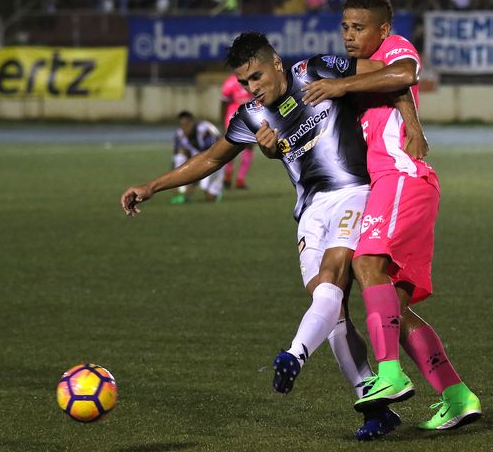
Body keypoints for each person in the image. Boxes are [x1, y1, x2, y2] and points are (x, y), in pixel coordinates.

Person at [120, 32, 400, 440]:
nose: (252, 88)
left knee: (332, 276)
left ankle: (294, 355)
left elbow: (387, 74)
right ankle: (374, 409)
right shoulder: (253, 117)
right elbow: (212, 158)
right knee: (332, 312)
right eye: (244, 82)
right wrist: (152, 186)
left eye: (256, 77)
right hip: (308, 213)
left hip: (352, 193)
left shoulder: (316, 70)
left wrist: (345, 89)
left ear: (276, 63)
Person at [299, 0, 482, 431]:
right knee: (393, 311)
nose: (349, 35)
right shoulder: (361, 74)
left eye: (358, 27)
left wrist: (342, 87)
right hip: (402, 186)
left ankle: (389, 375)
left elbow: (405, 74)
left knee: (366, 263)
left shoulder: (392, 47)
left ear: (382, 29)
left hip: (401, 178)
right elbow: (392, 87)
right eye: (345, 26)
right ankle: (457, 396)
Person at [169, 111, 224, 204]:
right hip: (198, 159)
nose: (184, 129)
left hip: (216, 162)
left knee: (210, 198)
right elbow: (176, 154)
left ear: (192, 123)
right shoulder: (179, 134)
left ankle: (215, 192)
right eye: (181, 125)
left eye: (186, 125)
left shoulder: (204, 131)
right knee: (180, 156)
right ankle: (182, 192)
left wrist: (194, 179)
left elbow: (212, 155)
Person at [219, 74, 254, 190]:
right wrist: (222, 124)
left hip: (249, 116)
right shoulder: (231, 82)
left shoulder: (253, 78)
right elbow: (224, 103)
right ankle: (228, 175)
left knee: (249, 146)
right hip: (233, 117)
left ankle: (239, 179)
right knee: (231, 146)